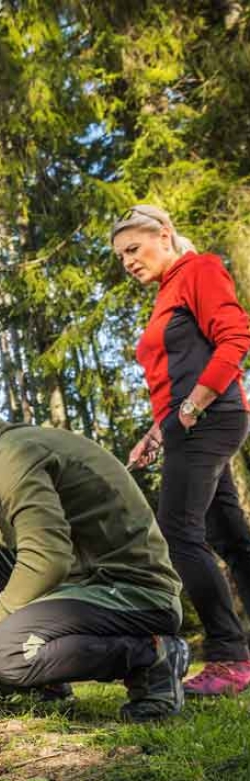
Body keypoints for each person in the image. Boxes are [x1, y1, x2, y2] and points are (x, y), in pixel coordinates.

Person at [0, 378, 188, 721]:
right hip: (81, 582)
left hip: (135, 593)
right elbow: (24, 556)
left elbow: (46, 558)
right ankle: (42, 684)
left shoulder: (12, 453)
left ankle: (153, 656)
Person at [114, 205, 250, 696]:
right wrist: (158, 429)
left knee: (179, 531)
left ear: (165, 235)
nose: (128, 261)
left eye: (134, 248)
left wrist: (192, 407)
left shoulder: (199, 269)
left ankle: (229, 659)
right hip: (188, 424)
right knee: (230, 536)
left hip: (209, 420)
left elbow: (236, 337)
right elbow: (178, 371)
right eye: (121, 256)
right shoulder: (166, 292)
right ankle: (239, 654)